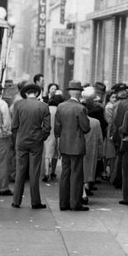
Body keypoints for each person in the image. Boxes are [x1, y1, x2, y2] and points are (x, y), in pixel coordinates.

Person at [11, 82, 51, 209]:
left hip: (21, 140)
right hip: (36, 141)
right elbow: (47, 127)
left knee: (20, 171)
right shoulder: (43, 106)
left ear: (26, 93)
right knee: (34, 171)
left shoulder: (18, 105)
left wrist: (18, 137)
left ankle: (16, 201)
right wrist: (41, 137)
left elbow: (14, 125)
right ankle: (35, 201)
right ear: (37, 93)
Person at [54, 80, 91, 211]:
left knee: (65, 174)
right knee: (76, 175)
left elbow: (57, 128)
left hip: (64, 144)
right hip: (77, 145)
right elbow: (86, 128)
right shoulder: (81, 108)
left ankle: (63, 203)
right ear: (80, 93)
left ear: (69, 92)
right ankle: (75, 203)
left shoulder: (61, 106)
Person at [81, 87, 104, 199]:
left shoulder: (77, 121)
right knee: (88, 169)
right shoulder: (96, 122)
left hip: (79, 148)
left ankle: (83, 192)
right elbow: (100, 139)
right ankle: (86, 188)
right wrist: (100, 153)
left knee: (79, 170)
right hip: (91, 149)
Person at [109, 83, 128, 188]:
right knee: (120, 158)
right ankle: (117, 179)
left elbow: (115, 121)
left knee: (119, 158)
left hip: (119, 134)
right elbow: (115, 121)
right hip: (121, 134)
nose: (124, 92)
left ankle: (116, 179)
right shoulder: (121, 104)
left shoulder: (119, 104)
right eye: (122, 91)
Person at [0, 80, 13, 196]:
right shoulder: (2, 104)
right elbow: (7, 123)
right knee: (2, 162)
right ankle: (3, 187)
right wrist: (7, 134)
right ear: (0, 91)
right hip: (1, 136)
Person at [42, 91, 64, 181]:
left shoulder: (46, 108)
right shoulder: (60, 110)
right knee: (55, 153)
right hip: (58, 132)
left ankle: (46, 172)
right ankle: (53, 172)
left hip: (48, 132)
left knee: (47, 153)